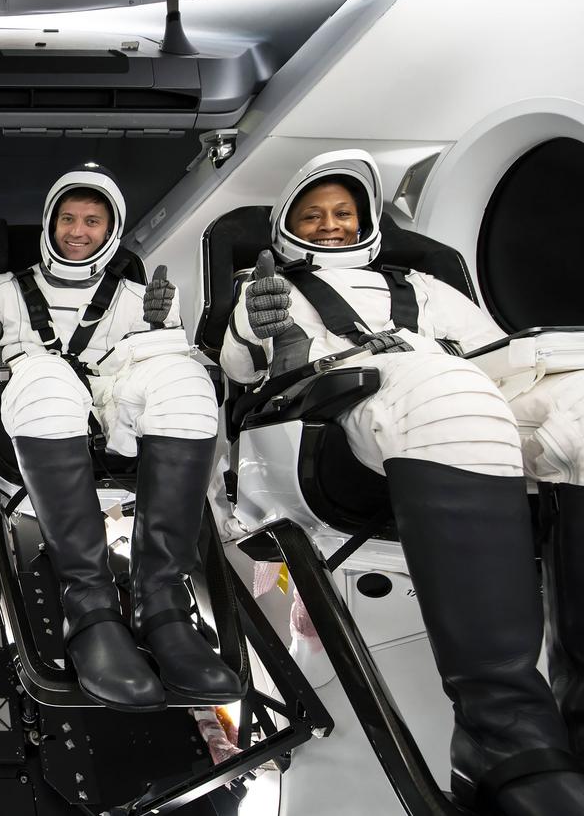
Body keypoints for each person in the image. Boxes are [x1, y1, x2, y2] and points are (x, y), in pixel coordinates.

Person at [220, 149, 584, 815]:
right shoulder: (268, 285)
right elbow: (240, 363)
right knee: (447, 393)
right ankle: (501, 739)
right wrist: (255, 327)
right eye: (313, 214)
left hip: (444, 397)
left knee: (579, 410)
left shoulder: (426, 287)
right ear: (286, 223)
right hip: (323, 428)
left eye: (343, 212)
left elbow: (496, 356)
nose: (330, 224)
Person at [0, 164, 241, 712]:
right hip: (38, 403)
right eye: (67, 219)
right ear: (49, 224)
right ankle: (89, 606)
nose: (77, 231)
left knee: (186, 381)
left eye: (92, 221)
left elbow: (158, 365)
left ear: (111, 231)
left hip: (115, 411)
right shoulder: (1, 292)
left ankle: (162, 605)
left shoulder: (138, 296)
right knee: (47, 375)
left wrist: (165, 333)